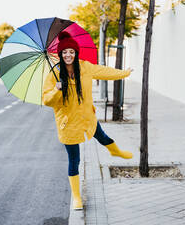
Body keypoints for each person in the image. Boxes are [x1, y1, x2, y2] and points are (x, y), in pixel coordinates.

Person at [42, 32, 133, 210]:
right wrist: (57, 89)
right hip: (68, 123)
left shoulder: (85, 67)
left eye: (71, 52)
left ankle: (116, 152)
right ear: (60, 54)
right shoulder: (54, 75)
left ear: (76, 53)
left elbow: (104, 71)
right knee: (74, 160)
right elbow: (47, 100)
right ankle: (76, 197)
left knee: (103, 137)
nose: (68, 55)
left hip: (87, 117)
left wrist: (124, 73)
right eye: (65, 52)